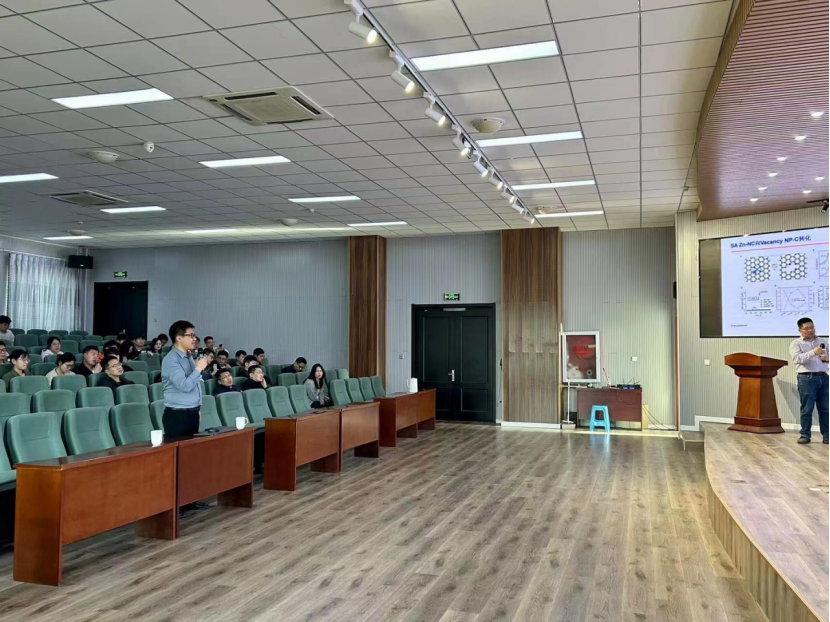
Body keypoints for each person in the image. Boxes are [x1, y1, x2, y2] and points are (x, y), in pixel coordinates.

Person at [161, 320, 209, 438]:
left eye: (194, 335)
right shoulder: (171, 360)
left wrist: (196, 408)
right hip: (178, 416)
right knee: (179, 449)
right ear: (179, 338)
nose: (195, 339)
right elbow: (185, 386)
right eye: (191, 335)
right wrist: (198, 368)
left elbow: (194, 382)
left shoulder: (188, 356)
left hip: (192, 413)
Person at [790, 317, 829, 445]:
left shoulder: (822, 341)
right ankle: (805, 435)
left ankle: (827, 436)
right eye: (806, 328)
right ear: (800, 330)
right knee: (807, 409)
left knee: (826, 409)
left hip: (824, 377)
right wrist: (813, 352)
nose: (810, 330)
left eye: (812, 327)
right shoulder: (796, 343)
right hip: (807, 378)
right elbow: (797, 359)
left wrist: (827, 358)